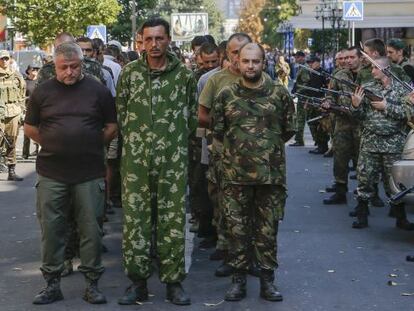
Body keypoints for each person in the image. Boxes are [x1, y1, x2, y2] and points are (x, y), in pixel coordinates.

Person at [24, 42, 117, 304]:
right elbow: (30, 128)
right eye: (63, 68)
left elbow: (111, 126)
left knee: (91, 229)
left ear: (82, 64)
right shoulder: (42, 93)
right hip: (52, 173)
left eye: (74, 66)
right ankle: (52, 283)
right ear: (55, 66)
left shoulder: (98, 91)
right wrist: (53, 142)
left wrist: (90, 143)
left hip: (89, 173)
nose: (69, 72)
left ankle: (92, 284)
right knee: (52, 230)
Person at [116, 17, 197, 306]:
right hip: (136, 164)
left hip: (172, 164)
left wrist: (170, 146)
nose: (153, 45)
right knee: (135, 223)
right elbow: (121, 114)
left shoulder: (184, 76)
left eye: (159, 38)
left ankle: (173, 282)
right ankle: (137, 283)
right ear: (141, 41)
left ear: (169, 39)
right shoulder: (130, 74)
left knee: (172, 221)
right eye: (148, 39)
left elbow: (190, 116)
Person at [213, 42, 295, 301]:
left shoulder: (279, 94)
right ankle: (238, 280)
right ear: (238, 63)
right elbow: (219, 130)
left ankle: (268, 281)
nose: (250, 66)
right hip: (235, 177)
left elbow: (288, 129)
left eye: (255, 62)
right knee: (237, 230)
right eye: (245, 61)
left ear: (263, 63)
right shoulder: (226, 94)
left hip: (270, 177)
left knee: (267, 230)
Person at [198, 33, 253, 277]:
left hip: (254, 158)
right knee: (223, 204)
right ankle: (228, 252)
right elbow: (202, 116)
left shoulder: (264, 80)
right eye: (233, 52)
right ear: (226, 54)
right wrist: (228, 131)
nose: (239, 57)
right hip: (222, 154)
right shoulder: (215, 80)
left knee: (252, 208)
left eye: (244, 51)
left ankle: (250, 256)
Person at [350, 57, 414, 230]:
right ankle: (362, 215)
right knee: (365, 179)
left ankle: (400, 218)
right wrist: (355, 106)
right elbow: (359, 116)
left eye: (375, 68)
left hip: (393, 143)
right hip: (371, 141)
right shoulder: (368, 88)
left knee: (393, 181)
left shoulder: (402, 90)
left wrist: (386, 106)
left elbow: (408, 113)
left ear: (386, 70)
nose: (372, 71)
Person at [322, 47, 362, 205]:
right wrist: (328, 103)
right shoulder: (339, 75)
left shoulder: (368, 75)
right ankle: (340, 191)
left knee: (363, 162)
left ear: (360, 58)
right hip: (342, 124)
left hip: (362, 125)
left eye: (352, 57)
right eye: (345, 58)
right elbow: (331, 95)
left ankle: (366, 193)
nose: (348, 61)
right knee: (340, 159)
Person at [0, 50, 26, 181]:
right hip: (0, 114)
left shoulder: (16, 76)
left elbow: (22, 94)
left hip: (13, 113)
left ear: (10, 59)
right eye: (1, 59)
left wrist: (21, 111)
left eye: (6, 58)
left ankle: (11, 171)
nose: (4, 61)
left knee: (11, 141)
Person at [290, 51, 309, 147]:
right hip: (302, 96)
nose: (296, 59)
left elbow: (306, 84)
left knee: (301, 118)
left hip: (304, 97)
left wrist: (298, 92)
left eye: (297, 57)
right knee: (299, 118)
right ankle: (298, 139)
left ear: (302, 57)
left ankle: (299, 140)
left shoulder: (304, 68)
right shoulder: (301, 67)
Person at [22, 65, 40, 159]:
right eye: (33, 69)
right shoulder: (25, 82)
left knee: (39, 130)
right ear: (28, 71)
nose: (36, 71)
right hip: (27, 109)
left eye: (37, 69)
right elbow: (21, 95)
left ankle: (38, 151)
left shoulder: (40, 82)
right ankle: (25, 153)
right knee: (27, 131)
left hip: (39, 109)